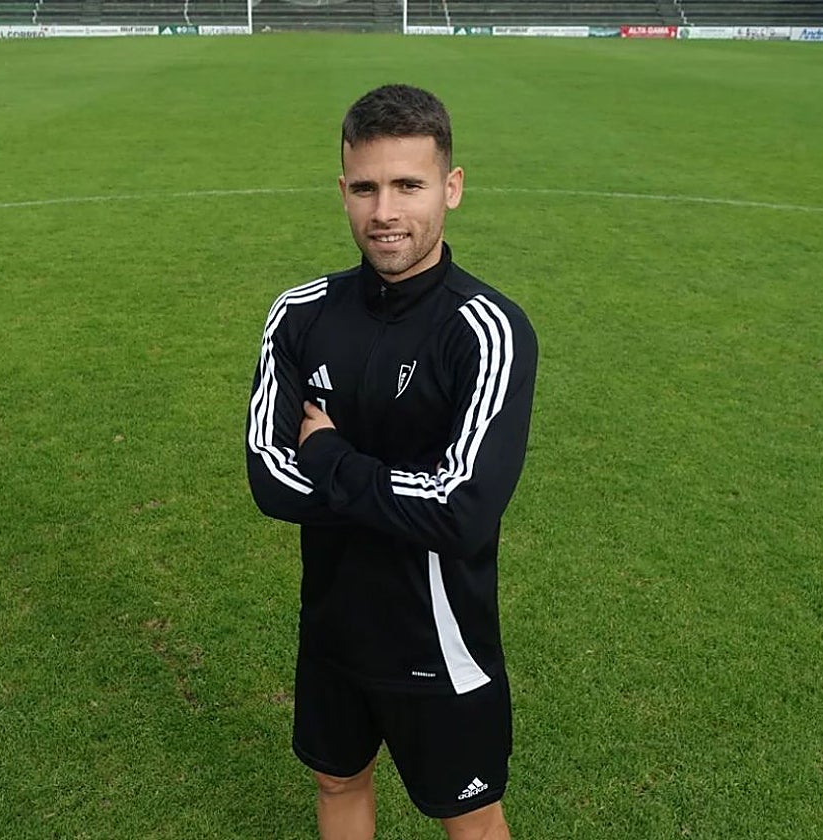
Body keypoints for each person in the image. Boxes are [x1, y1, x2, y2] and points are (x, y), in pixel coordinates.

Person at [245, 84, 537, 840]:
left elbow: (462, 510)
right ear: (343, 191)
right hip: (335, 627)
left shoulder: (486, 330)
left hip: (439, 638)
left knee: (469, 816)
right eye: (367, 188)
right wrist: (397, 490)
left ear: (452, 187)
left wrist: (331, 453)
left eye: (408, 185)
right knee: (337, 778)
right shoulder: (299, 313)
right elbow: (270, 481)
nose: (385, 213)